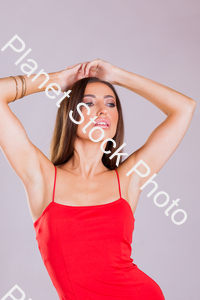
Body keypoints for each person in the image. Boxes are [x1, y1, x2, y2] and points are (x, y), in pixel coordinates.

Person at [0, 58, 196, 299]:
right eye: (89, 103)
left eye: (111, 104)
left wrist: (116, 75)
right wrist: (58, 81)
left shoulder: (128, 179)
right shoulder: (42, 178)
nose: (103, 110)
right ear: (71, 113)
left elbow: (185, 107)